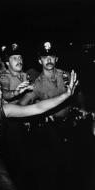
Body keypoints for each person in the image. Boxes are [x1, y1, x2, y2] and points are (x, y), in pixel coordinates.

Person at [0, 71, 77, 190]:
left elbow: (37, 108)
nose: (0, 92)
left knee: (8, 185)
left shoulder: (4, 110)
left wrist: (66, 95)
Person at [19, 41, 89, 190]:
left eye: (51, 56)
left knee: (75, 166)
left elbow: (80, 91)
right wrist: (36, 116)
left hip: (71, 125)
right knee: (55, 168)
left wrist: (82, 108)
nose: (48, 60)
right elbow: (21, 106)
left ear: (56, 59)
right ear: (40, 61)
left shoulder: (66, 75)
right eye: (45, 57)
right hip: (51, 130)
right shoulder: (36, 84)